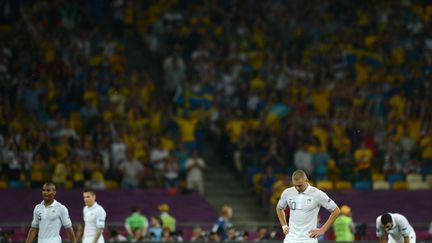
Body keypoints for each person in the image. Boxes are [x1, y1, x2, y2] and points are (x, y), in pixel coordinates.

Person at [276, 170, 340, 243]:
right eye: (295, 185)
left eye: (300, 185)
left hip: (308, 239)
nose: (297, 188)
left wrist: (322, 230)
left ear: (306, 180)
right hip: (290, 239)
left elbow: (336, 210)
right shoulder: (287, 192)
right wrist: (284, 225)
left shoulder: (317, 194)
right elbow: (279, 208)